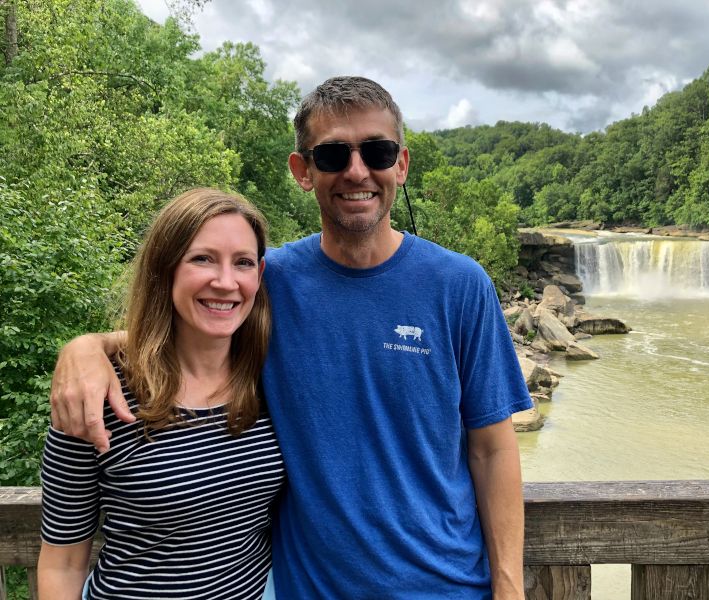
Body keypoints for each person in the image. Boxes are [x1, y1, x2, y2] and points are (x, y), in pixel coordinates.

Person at [50, 76, 532, 599]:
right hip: (311, 590)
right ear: (302, 171)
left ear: (401, 164)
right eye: (331, 155)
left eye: (377, 150)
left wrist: (509, 586)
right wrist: (85, 348)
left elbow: (492, 450)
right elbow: (185, 321)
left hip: (446, 587)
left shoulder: (460, 286)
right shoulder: (268, 282)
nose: (356, 171)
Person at [39, 188, 285, 600]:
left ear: (258, 276)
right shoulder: (99, 394)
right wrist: (85, 346)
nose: (225, 282)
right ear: (165, 268)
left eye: (242, 262)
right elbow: (63, 561)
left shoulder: (272, 379)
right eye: (202, 258)